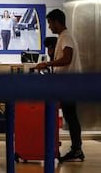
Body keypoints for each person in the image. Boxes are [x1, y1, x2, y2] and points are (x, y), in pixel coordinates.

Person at [35, 9, 84, 162]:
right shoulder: (63, 37)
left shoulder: (66, 37)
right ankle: (76, 148)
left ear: (57, 22)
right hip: (66, 83)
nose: (49, 26)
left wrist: (47, 63)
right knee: (70, 116)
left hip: (68, 84)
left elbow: (67, 59)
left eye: (50, 23)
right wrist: (52, 57)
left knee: (71, 116)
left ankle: (77, 149)